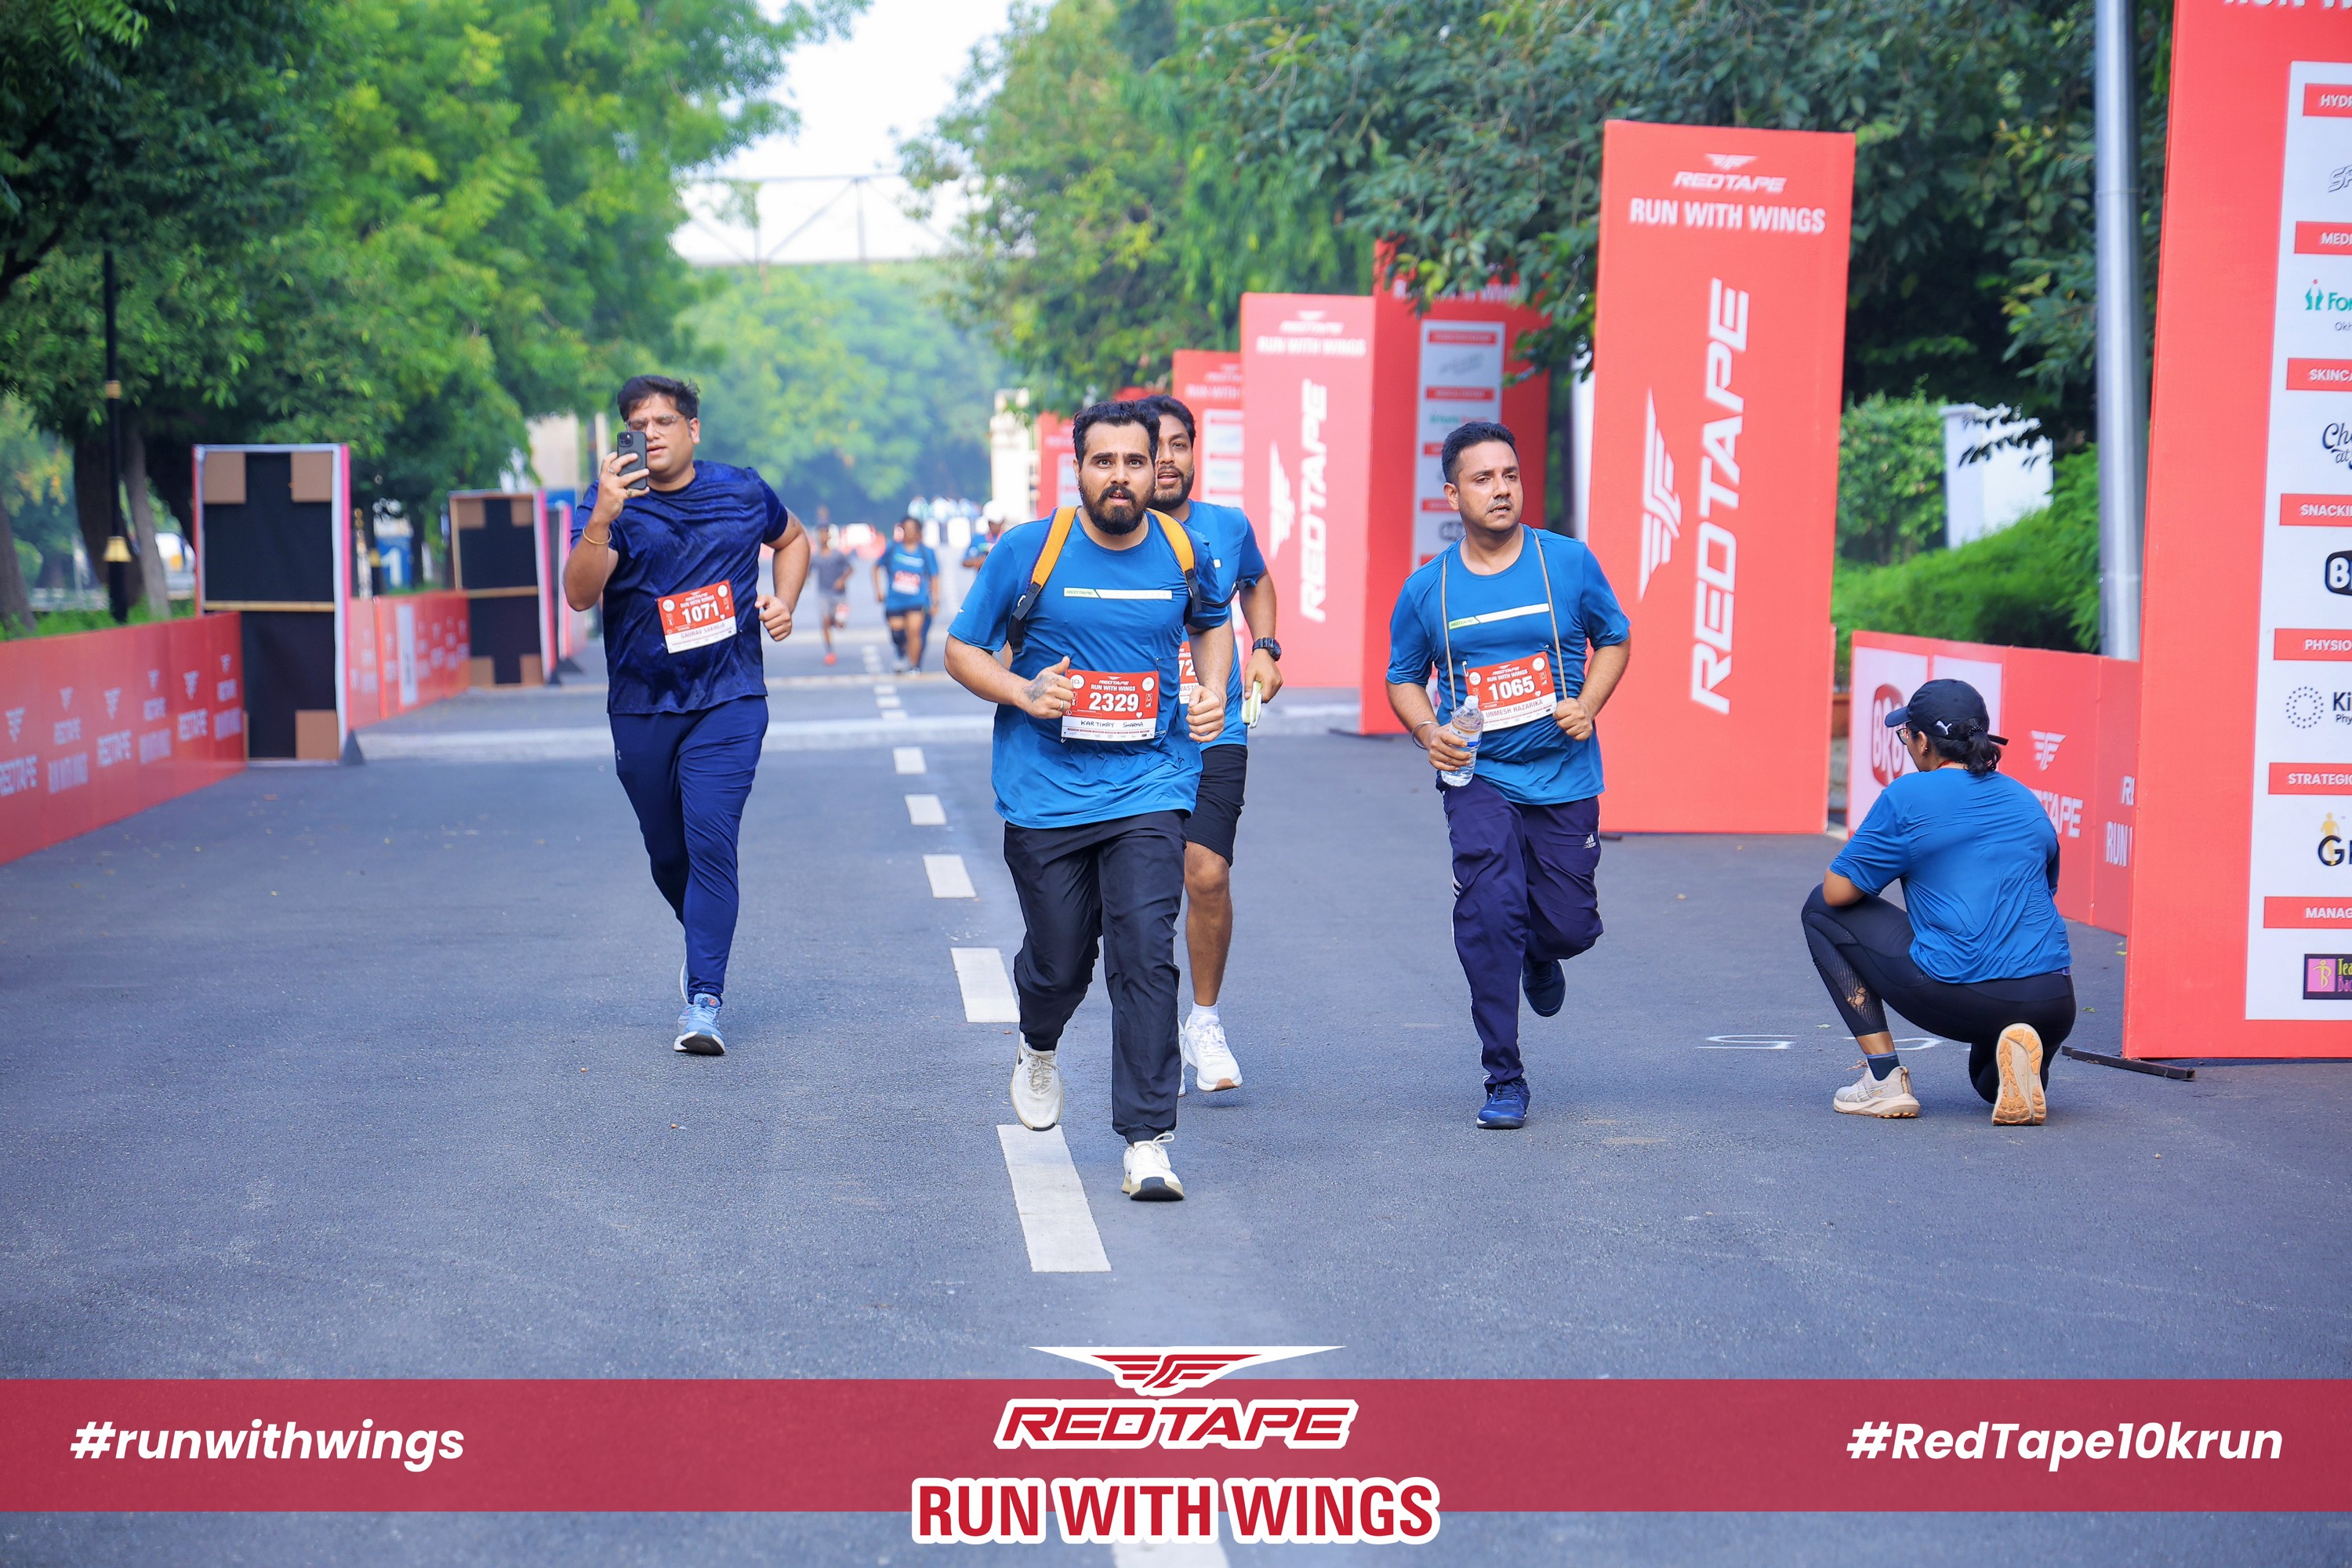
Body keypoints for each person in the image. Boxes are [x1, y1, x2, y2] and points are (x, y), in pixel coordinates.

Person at [945, 399, 1231, 1201]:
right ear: (1078, 469)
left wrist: (1214, 690)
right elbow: (961, 649)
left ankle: (1147, 1139)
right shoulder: (1029, 550)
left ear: (1155, 468)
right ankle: (1039, 1041)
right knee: (1061, 960)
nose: (1120, 476)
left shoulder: (1183, 550)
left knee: (1144, 951)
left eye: (1135, 461)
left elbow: (1212, 623)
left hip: (1150, 781)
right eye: (1104, 461)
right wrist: (1022, 690)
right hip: (1046, 791)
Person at [1385, 420, 1631, 1131]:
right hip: (1480, 774)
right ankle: (1504, 1076)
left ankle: (1542, 954)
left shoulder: (1568, 563)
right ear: (1452, 495)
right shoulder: (1428, 590)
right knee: (1490, 915)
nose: (1501, 489)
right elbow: (1403, 678)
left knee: (1570, 926)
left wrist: (1588, 704)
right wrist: (1429, 733)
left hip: (1564, 774)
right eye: (1483, 478)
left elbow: (1615, 637)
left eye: (1510, 475)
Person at [562, 374, 809, 1055]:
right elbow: (579, 595)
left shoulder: (742, 491)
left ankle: (704, 1001)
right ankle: (702, 933)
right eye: (638, 425)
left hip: (730, 698)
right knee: (668, 854)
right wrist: (602, 518)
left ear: (693, 429)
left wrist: (785, 601)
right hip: (642, 704)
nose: (651, 435)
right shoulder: (613, 502)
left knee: (710, 840)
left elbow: (793, 539)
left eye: (664, 422)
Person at [1804, 678, 2076, 1125]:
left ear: (1924, 741)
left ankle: (1884, 1080)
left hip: (1965, 992)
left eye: (1905, 735)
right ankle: (2020, 1063)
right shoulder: (2023, 797)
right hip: (2052, 998)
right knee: (1985, 1080)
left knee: (1820, 909)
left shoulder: (1909, 796)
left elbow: (1838, 891)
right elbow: (2043, 889)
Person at [1139, 393, 1282, 1094]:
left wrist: (1267, 647)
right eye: (1154, 448)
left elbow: (1256, 583)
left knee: (1207, 874)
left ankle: (1204, 1021)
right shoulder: (1108, 534)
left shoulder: (1227, 526)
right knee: (1143, 889)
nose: (1167, 460)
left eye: (1179, 445)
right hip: (1133, 736)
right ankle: (1150, 1024)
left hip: (1214, 727)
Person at [875, 516, 941, 673]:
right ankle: (901, 652)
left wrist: (935, 600)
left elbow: (934, 576)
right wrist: (878, 590)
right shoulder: (893, 548)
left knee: (914, 631)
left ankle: (914, 665)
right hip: (895, 600)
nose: (909, 533)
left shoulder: (925, 552)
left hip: (917, 600)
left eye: (913, 530)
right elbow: (876, 567)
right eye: (906, 529)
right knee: (897, 632)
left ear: (918, 532)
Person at [814, 525, 856, 665]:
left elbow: (851, 569)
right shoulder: (816, 557)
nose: (823, 537)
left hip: (839, 594)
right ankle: (830, 652)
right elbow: (807, 571)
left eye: (825, 534)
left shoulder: (838, 555)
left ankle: (836, 619)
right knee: (824, 621)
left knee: (840, 625)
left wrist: (842, 580)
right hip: (823, 593)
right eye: (820, 534)